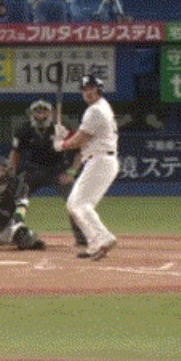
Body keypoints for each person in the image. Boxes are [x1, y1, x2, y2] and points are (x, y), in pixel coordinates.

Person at [53, 74, 119, 261]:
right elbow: (86, 137)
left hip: (100, 161)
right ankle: (95, 244)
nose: (87, 92)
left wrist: (62, 144)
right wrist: (67, 134)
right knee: (77, 205)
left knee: (78, 204)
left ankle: (104, 238)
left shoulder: (95, 111)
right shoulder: (102, 107)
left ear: (98, 89)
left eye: (91, 88)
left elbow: (81, 139)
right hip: (100, 160)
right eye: (84, 89)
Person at [9, 99, 88, 251]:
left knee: (75, 200)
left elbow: (80, 151)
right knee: (16, 198)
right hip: (32, 171)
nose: (41, 114)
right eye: (37, 111)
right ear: (32, 114)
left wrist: (72, 172)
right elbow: (15, 153)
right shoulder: (23, 130)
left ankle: (82, 238)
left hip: (58, 171)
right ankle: (14, 233)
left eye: (44, 111)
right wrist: (12, 174)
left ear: (51, 113)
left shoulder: (62, 127)